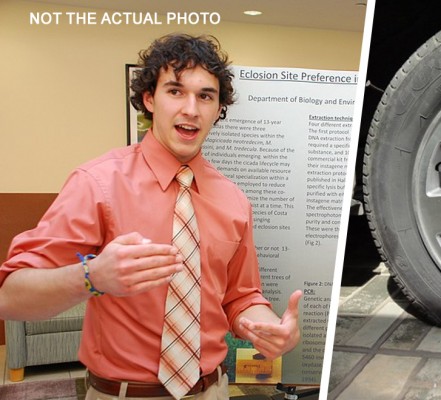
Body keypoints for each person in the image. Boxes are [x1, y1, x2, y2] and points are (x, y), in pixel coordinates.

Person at [0, 34, 302, 400]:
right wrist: (92, 277)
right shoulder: (98, 183)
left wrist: (267, 327)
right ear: (149, 99)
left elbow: (241, 297)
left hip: (213, 390)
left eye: (206, 96)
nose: (191, 108)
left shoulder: (234, 200)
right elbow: (10, 295)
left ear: (218, 108)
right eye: (175, 91)